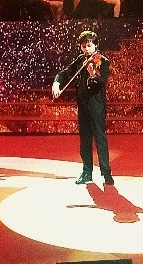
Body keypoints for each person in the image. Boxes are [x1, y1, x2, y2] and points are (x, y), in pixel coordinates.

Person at [52, 31, 113, 186]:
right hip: (83, 105)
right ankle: (87, 172)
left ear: (96, 46)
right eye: (84, 46)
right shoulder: (81, 60)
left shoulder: (103, 61)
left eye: (89, 46)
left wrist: (93, 73)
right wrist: (57, 83)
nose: (86, 49)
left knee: (100, 139)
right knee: (85, 140)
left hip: (96, 106)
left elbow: (101, 82)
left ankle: (106, 173)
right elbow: (65, 73)